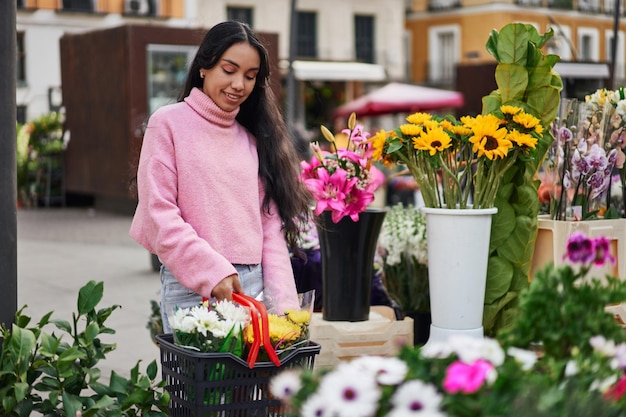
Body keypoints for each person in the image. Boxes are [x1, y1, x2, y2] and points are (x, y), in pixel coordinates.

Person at [130, 21, 311, 333]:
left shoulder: (252, 140)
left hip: (253, 289)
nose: (239, 84)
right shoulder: (168, 124)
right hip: (192, 289)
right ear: (204, 67)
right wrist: (212, 272)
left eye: (250, 76)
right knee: (202, 383)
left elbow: (269, 227)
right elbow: (158, 213)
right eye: (229, 70)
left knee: (250, 383)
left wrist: (285, 308)